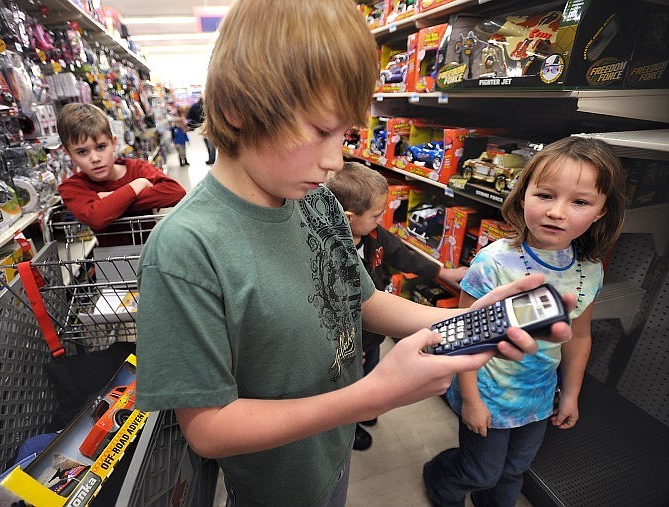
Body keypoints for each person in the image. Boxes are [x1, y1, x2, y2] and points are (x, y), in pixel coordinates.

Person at [135, 2, 574, 506]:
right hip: (277, 485)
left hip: (332, 449)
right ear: (238, 108)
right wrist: (370, 396)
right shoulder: (186, 251)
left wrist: (461, 320)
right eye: (320, 131)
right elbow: (209, 430)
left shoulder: (315, 198)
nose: (333, 161)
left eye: (343, 135)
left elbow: (359, 300)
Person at [423, 137, 626, 507]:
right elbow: (464, 333)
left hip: (537, 395)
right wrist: (470, 400)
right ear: (523, 194)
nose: (557, 212)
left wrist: (571, 395)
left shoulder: (590, 270)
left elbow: (579, 338)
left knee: (514, 469)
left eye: (579, 201)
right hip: (487, 390)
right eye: (545, 195)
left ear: (601, 211)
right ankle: (440, 478)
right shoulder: (494, 262)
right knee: (480, 471)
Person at [325, 161, 468, 451]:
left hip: (374, 332)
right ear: (349, 218)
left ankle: (365, 406)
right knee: (349, 386)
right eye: (377, 215)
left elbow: (402, 254)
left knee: (372, 371)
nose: (381, 220)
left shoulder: (374, 235)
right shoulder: (331, 253)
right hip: (346, 340)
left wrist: (441, 272)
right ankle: (349, 426)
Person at [56, 103, 186, 236]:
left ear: (113, 143)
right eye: (82, 152)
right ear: (69, 154)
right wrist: (137, 185)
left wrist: (108, 200)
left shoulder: (137, 168)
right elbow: (96, 217)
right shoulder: (72, 187)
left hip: (150, 249)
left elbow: (176, 193)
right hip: (109, 256)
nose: (95, 158)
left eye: (101, 147)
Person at [186, 97, 217, 164]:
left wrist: (195, 122)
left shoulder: (194, 106)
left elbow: (189, 116)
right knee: (211, 143)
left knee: (206, 141)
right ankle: (212, 158)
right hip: (210, 126)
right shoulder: (209, 106)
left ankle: (210, 157)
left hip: (201, 127)